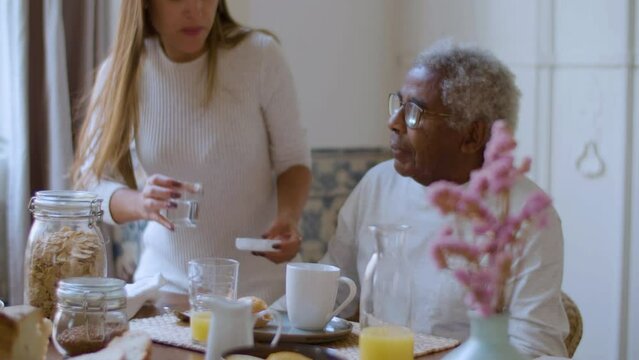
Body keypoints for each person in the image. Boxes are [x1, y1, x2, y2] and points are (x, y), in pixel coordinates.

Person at [322, 41, 569, 357]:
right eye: (398, 104)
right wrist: (263, 322)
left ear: (472, 136)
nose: (394, 122)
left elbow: (537, 349)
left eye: (414, 112)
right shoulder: (379, 182)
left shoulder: (526, 214)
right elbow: (333, 289)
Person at [71, 0, 312, 303]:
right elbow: (90, 184)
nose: (196, 10)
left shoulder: (259, 56)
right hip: (164, 290)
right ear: (144, 5)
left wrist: (288, 218)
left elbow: (295, 162)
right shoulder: (124, 72)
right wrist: (141, 203)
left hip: (261, 295)